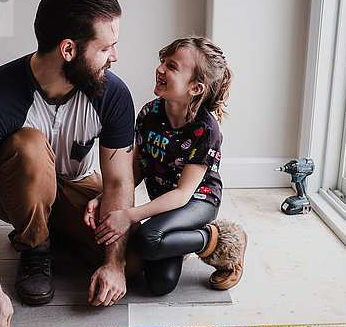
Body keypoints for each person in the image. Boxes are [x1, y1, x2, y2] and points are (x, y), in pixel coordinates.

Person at [0, 0, 140, 327]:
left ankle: (58, 228)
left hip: (76, 184)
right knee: (29, 146)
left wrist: (114, 264)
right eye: (107, 47)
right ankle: (35, 247)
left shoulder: (112, 93)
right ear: (69, 49)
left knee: (133, 261)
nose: (115, 56)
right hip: (13, 189)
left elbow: (118, 181)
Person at [84, 36, 247, 296]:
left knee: (145, 239)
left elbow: (183, 194)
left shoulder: (206, 130)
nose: (160, 69)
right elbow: (137, 167)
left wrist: (128, 215)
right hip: (167, 203)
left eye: (172, 67)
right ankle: (176, 241)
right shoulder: (150, 114)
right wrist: (106, 196)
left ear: (195, 88)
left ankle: (215, 239)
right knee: (160, 285)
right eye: (163, 62)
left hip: (197, 202)